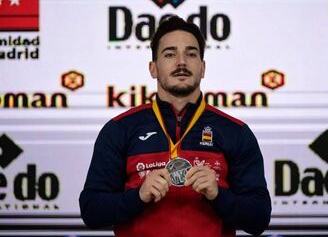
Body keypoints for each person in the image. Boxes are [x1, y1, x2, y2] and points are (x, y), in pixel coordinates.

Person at [79, 16, 271, 237]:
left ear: (202, 67)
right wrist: (138, 196)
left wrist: (219, 195)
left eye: (191, 54)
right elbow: (91, 211)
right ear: (153, 68)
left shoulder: (235, 132)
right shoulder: (119, 129)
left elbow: (259, 219)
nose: (181, 62)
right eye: (170, 54)